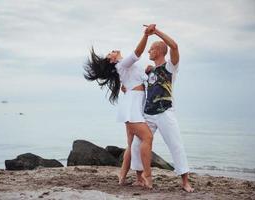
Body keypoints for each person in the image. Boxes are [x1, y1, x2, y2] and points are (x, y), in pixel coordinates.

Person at [83, 25, 156, 189]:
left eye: (111, 51)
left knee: (133, 145)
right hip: (132, 107)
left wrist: (149, 70)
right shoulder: (122, 65)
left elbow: (139, 77)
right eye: (110, 53)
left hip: (134, 104)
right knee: (147, 138)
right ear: (112, 60)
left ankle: (123, 176)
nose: (113, 51)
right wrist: (146, 35)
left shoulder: (124, 67)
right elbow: (137, 53)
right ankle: (147, 176)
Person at [127, 26, 194, 192]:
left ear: (158, 51)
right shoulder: (149, 71)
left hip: (165, 112)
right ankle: (139, 178)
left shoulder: (171, 67)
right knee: (136, 145)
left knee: (175, 144)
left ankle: (185, 181)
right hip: (148, 114)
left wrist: (155, 32)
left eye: (151, 49)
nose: (148, 52)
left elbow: (175, 46)